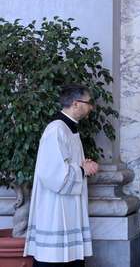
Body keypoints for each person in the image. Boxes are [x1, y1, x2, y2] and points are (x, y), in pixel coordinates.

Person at [24, 84, 99, 267]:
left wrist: (83, 165)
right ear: (75, 104)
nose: (91, 107)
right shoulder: (56, 129)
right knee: (55, 260)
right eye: (89, 103)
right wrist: (83, 169)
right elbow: (52, 174)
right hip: (54, 210)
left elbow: (66, 164)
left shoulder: (69, 128)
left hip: (68, 207)